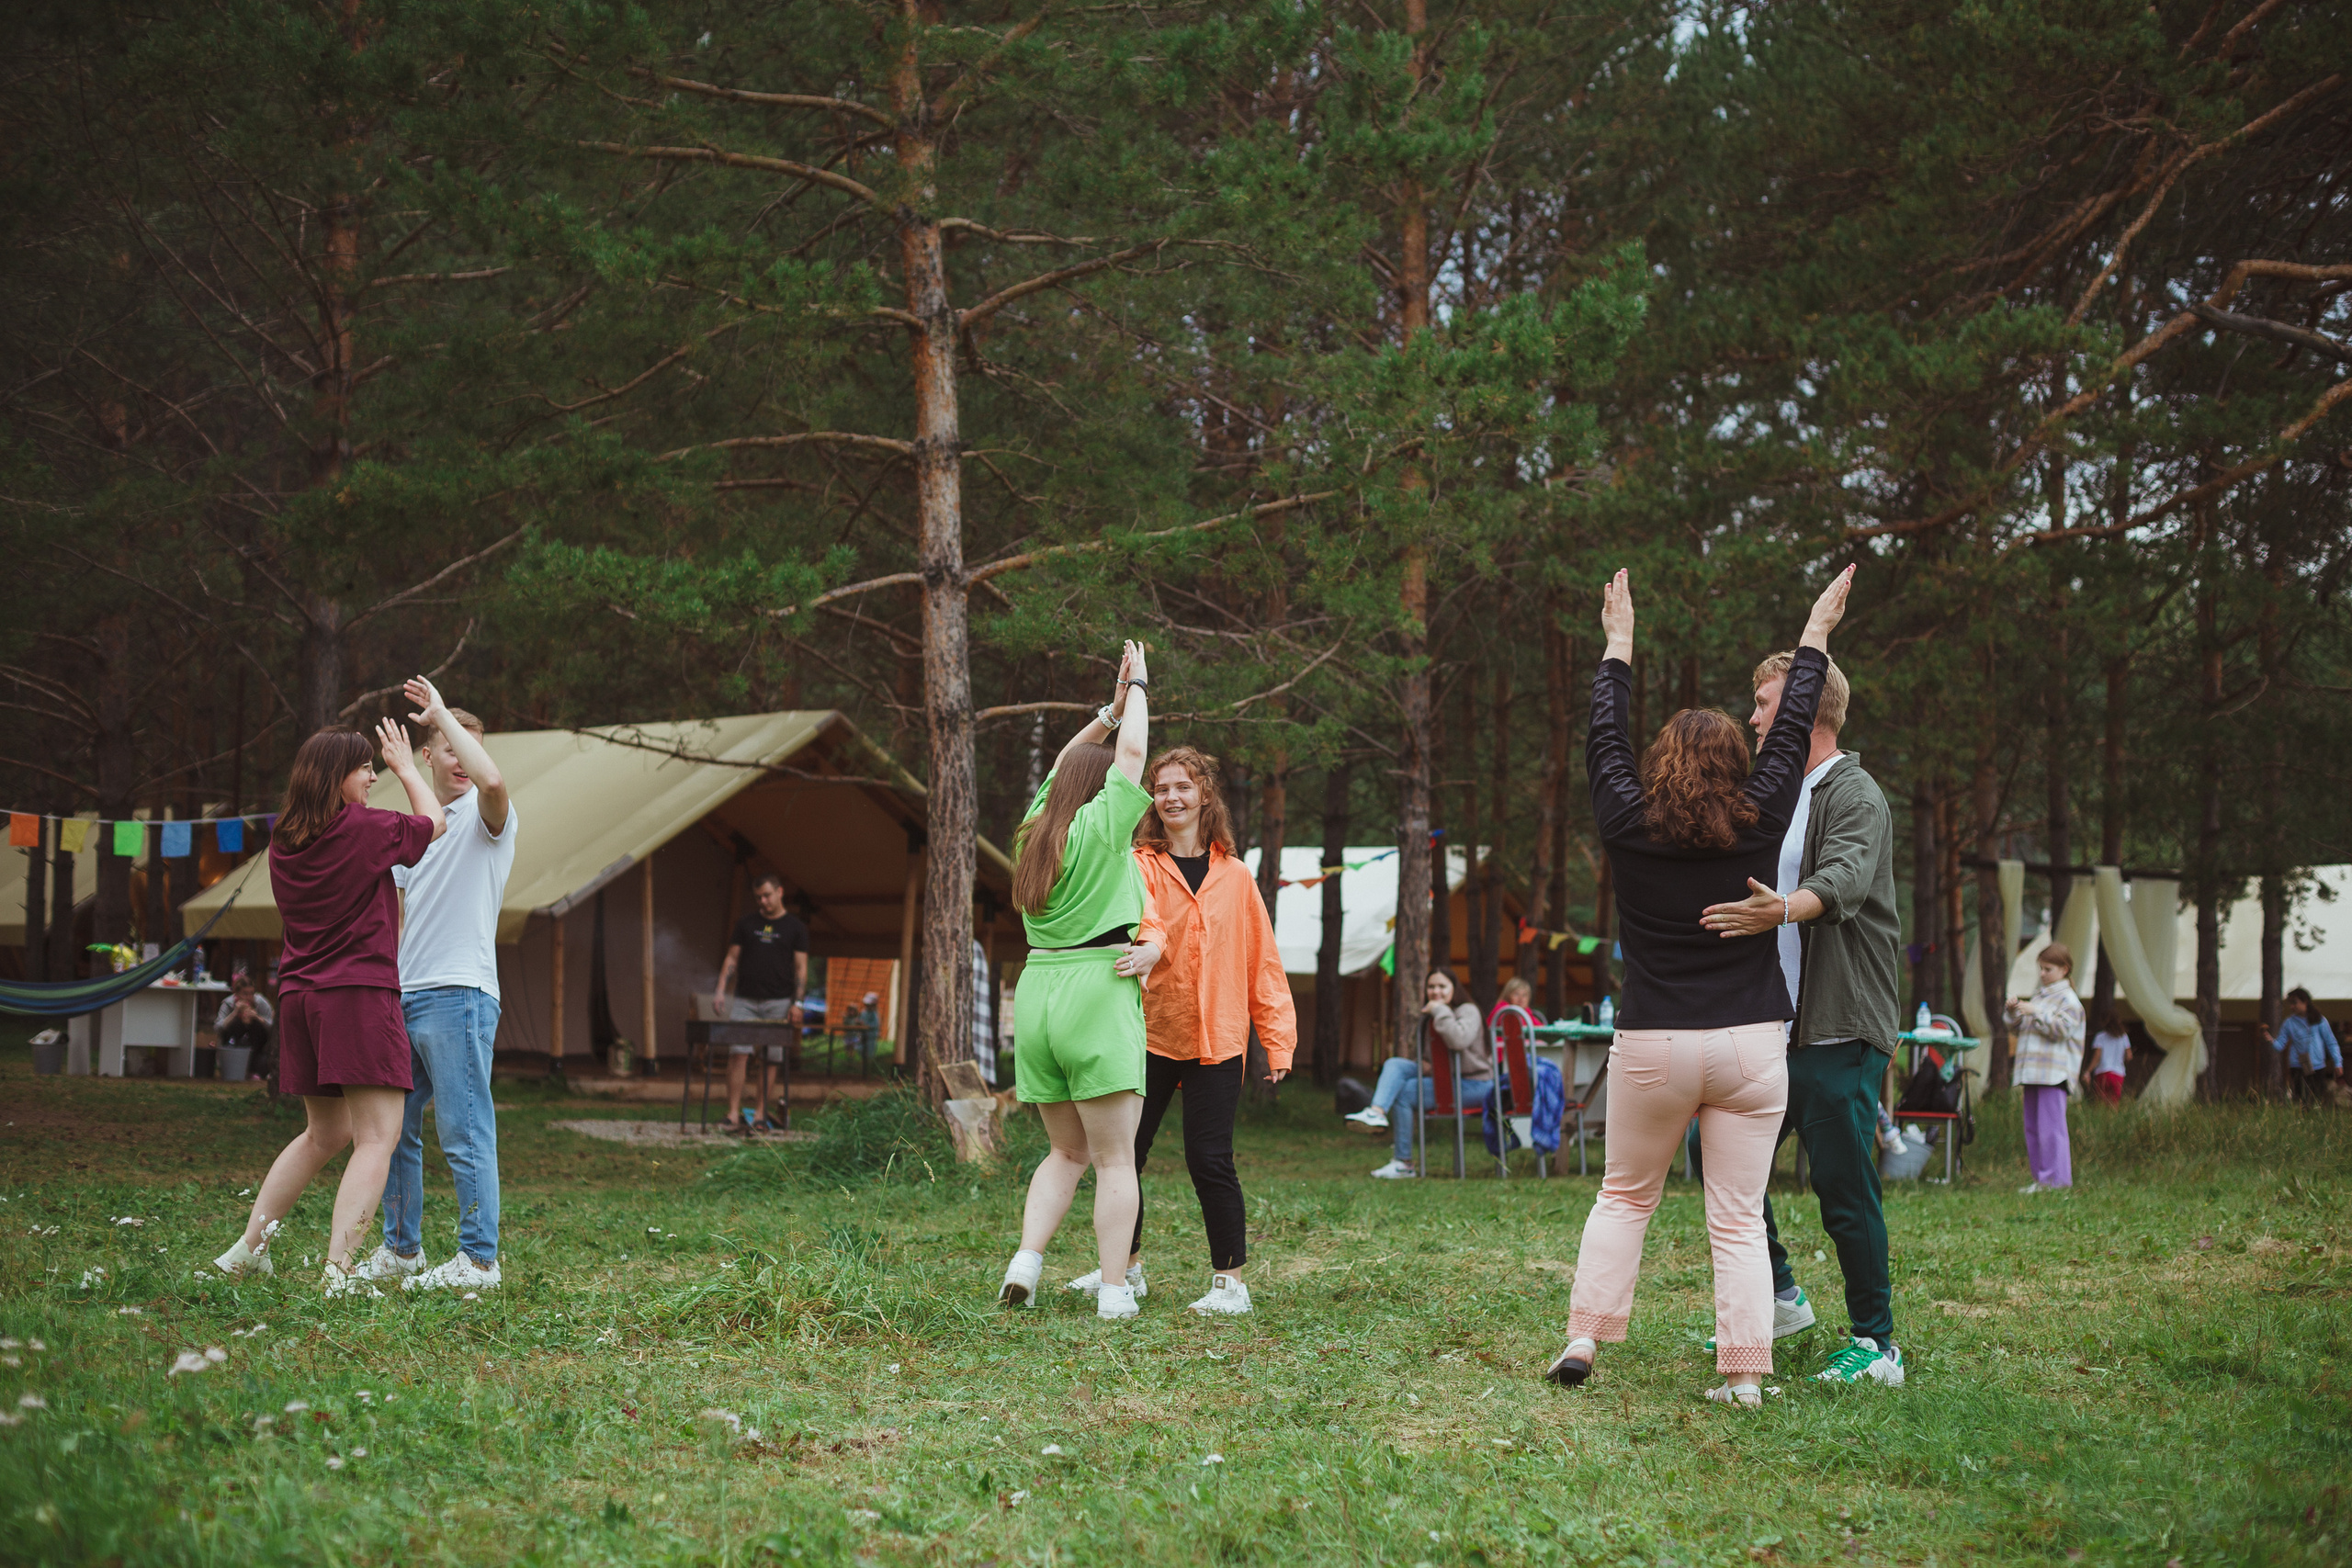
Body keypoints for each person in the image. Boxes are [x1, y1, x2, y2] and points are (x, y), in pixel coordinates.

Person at [1548, 563, 1852, 1408]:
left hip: (1653, 1042)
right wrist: (1815, 635)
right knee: (1738, 1215)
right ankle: (1745, 1375)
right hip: (1750, 1043)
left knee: (1623, 1196)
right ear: (1738, 762)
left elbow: (1603, 741)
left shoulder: (1626, 820)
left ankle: (1583, 1338)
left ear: (1659, 763)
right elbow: (1790, 734)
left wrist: (1618, 644)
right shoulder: (1761, 816)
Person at [1695, 643, 1907, 1389]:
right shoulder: (1779, 794)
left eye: (1763, 704)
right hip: (1774, 1026)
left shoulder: (1855, 793)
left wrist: (1782, 908)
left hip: (1839, 1026)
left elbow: (1843, 879)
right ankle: (1782, 1298)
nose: (1753, 718)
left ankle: (1877, 1344)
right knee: (1720, 1160)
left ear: (1803, 710)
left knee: (1843, 1187)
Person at [210, 723, 444, 1295]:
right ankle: (340, 1274)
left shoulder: (285, 841)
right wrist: (407, 768)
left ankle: (247, 1251)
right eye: (364, 768)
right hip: (357, 995)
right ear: (336, 776)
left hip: (299, 998)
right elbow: (434, 822)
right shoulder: (362, 827)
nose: (371, 777)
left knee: (324, 1133)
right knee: (378, 1136)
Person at [1064, 745, 1295, 1316]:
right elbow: (1134, 920)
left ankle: (1230, 1285)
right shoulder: (1138, 863)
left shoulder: (1236, 876)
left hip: (1218, 1038)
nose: (1171, 797)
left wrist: (1278, 1039)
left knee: (1210, 1158)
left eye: (1182, 787)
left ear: (1204, 795)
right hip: (1146, 1031)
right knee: (1125, 1154)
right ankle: (1126, 1269)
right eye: (1162, 788)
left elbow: (1262, 961)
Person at [999, 641, 1162, 1322]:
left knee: (1064, 1151)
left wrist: (1108, 711)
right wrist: (1141, 687)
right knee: (1115, 1160)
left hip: (1038, 992)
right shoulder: (1102, 827)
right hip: (1097, 986)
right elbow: (1133, 755)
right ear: (1102, 790)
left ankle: (1025, 1262)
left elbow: (1068, 762)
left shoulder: (1034, 831)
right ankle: (1115, 1291)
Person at [357, 679, 517, 1293]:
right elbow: (397, 916)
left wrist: (444, 714)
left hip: (461, 994)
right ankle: (402, 1249)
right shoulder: (419, 830)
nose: (463, 759)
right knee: (391, 1128)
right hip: (407, 995)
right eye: (450, 747)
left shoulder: (488, 816)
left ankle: (479, 1262)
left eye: (470, 747)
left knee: (463, 1128)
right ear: (428, 756)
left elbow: (494, 780)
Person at [1341, 968, 1489, 1178]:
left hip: (1476, 1083)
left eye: (1442, 986)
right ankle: (1376, 1112)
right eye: (1431, 986)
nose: (1436, 991)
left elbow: (1458, 1040)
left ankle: (1403, 1164)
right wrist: (1426, 1065)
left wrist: (1440, 1010)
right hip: (1447, 1079)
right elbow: (1434, 1060)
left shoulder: (1468, 1010)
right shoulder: (1433, 1015)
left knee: (1405, 1093)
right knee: (1394, 1064)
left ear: (1454, 988)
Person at [713, 873, 808, 1133]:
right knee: (738, 1053)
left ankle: (759, 1114)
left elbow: (801, 968)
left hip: (779, 1001)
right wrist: (720, 990)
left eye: (767, 896)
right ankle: (733, 1113)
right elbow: (732, 958)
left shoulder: (795, 928)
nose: (763, 901)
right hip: (745, 999)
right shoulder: (746, 923)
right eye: (758, 898)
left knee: (771, 1057)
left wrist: (798, 1003)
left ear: (780, 892)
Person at [2007, 943, 2086, 1193]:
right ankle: (2042, 1179)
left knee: (2051, 1130)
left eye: (2048, 969)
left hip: (2054, 1074)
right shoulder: (2040, 996)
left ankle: (2057, 1181)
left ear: (2064, 969)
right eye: (2040, 968)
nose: (2042, 974)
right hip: (2032, 1072)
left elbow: (2062, 1030)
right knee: (2033, 1128)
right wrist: (2013, 1013)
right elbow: (2019, 1029)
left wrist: (2036, 1011)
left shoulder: (2069, 1000)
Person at [2262, 987, 2341, 1103]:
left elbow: (2331, 1042)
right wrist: (2271, 1041)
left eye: (2295, 1003)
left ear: (2305, 1002)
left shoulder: (2319, 1020)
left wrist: (2338, 1062)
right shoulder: (2289, 1023)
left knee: (2317, 1098)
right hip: (2298, 1066)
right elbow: (2280, 1045)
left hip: (2317, 1065)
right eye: (2290, 1004)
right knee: (2300, 1099)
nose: (2292, 1007)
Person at [214, 976, 274, 1079]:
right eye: (245, 994)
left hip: (259, 1047)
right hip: (233, 1045)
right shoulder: (228, 1003)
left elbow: (273, 1027)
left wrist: (257, 1017)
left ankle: (254, 1070)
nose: (249, 997)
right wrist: (235, 1013)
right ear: (236, 994)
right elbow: (217, 1028)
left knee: (257, 1026)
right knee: (236, 1024)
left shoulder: (261, 1003)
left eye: (251, 993)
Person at [2085, 1010, 2132, 1105]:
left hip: (2103, 1072)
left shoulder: (2100, 1037)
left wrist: (2088, 1071)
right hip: (2118, 1074)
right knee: (2114, 1104)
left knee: (2101, 1103)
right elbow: (2129, 1056)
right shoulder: (2123, 1036)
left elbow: (2097, 1056)